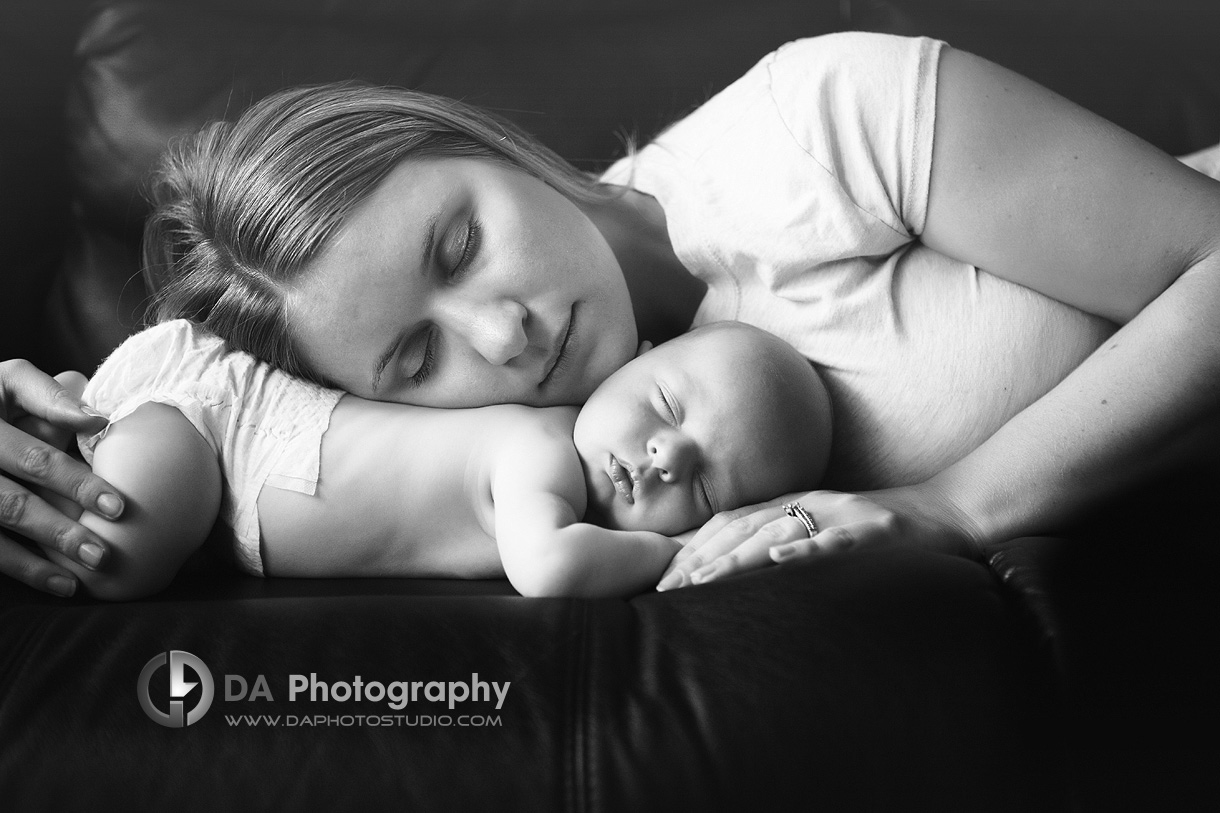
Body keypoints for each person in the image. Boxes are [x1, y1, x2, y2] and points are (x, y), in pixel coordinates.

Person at [4, 31, 1219, 597]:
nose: (503, 335)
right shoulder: (559, 463)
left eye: (460, 241)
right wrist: (55, 439)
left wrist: (951, 509)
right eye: (415, 354)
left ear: (482, 143)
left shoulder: (813, 129)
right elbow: (209, 415)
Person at [46, 319, 831, 600]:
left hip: (226, 461)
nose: (664, 456)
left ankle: (84, 418)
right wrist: (681, 548)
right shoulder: (538, 447)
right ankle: (77, 420)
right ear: (638, 356)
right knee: (124, 556)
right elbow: (549, 568)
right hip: (221, 422)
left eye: (701, 485)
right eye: (665, 407)